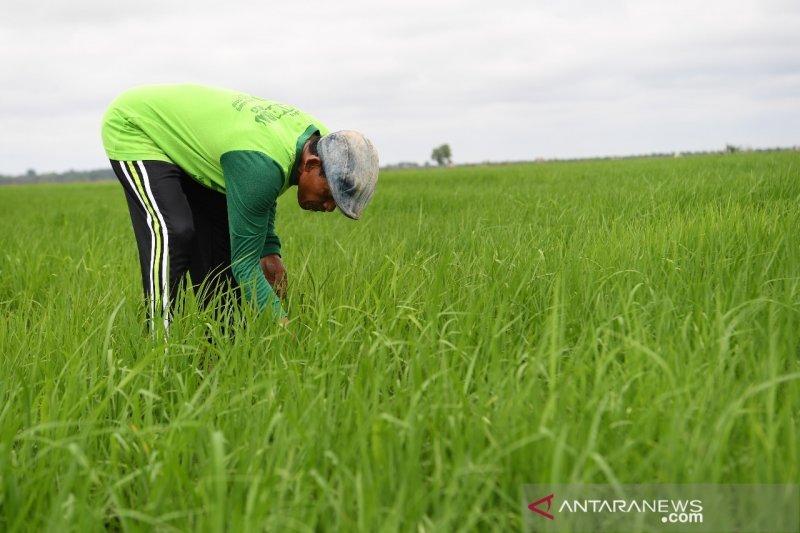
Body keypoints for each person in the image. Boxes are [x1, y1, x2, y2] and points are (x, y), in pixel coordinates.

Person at [100, 84, 379, 331]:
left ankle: (218, 355)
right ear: (311, 165)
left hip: (208, 150)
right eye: (330, 195)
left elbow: (269, 183)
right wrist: (285, 329)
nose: (329, 206)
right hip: (138, 127)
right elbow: (246, 264)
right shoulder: (261, 165)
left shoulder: (324, 144)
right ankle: (157, 343)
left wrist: (269, 250)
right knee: (174, 231)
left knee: (217, 257)